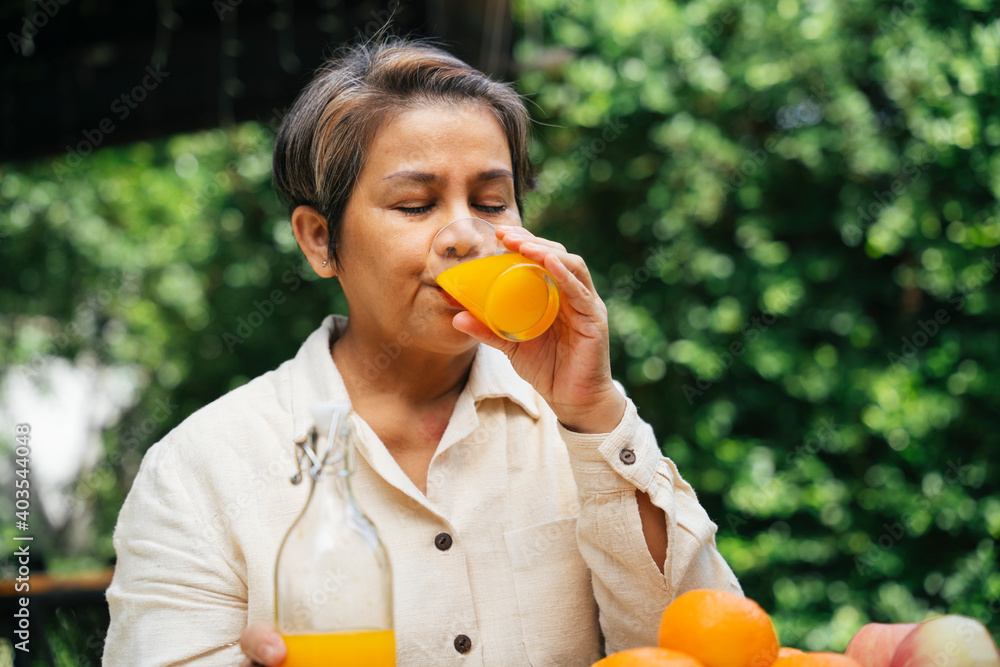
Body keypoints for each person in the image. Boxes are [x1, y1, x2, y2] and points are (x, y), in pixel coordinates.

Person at [103, 37, 742, 666]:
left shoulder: (578, 428)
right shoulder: (200, 470)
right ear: (320, 240)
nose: (466, 235)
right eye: (416, 204)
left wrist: (595, 414)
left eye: (492, 203)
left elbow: (706, 649)